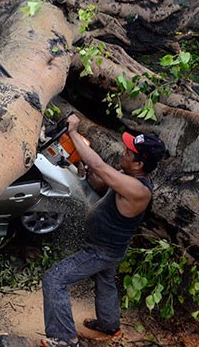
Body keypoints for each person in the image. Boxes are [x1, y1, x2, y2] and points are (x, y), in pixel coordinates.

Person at [40, 114, 166, 347]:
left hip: (101, 251)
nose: (123, 153)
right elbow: (100, 181)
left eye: (129, 154)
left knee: (54, 279)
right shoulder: (128, 178)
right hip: (109, 248)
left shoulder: (139, 190)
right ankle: (109, 326)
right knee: (105, 281)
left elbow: (100, 166)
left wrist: (74, 133)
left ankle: (65, 339)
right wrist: (83, 170)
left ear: (139, 164)